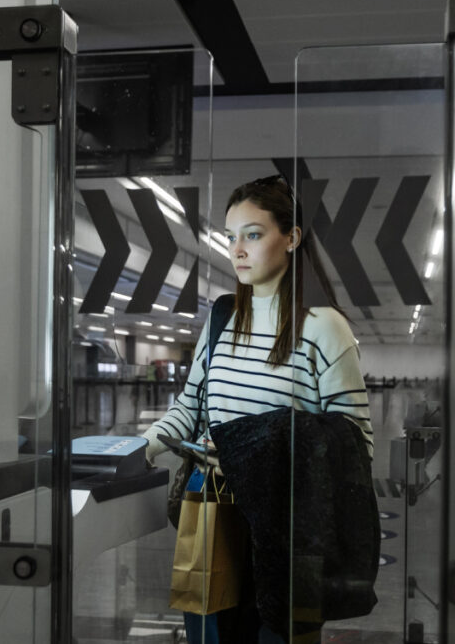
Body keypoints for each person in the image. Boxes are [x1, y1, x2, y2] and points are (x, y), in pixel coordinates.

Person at [144, 174, 374, 644]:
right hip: (217, 509)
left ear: (291, 238)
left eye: (253, 234)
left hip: (289, 528)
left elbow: (355, 442)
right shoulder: (223, 316)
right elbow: (189, 407)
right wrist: (133, 448)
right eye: (231, 236)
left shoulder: (324, 326)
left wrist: (256, 443)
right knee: (211, 634)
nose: (237, 250)